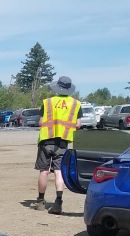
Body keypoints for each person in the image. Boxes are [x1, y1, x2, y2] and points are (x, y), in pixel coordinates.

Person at [34, 75, 81, 215]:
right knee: (59, 171)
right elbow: (78, 125)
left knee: (44, 171)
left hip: (46, 140)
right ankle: (58, 201)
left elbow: (41, 122)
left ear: (57, 87)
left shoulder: (47, 102)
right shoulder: (76, 104)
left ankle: (40, 202)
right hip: (63, 141)